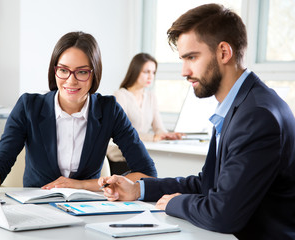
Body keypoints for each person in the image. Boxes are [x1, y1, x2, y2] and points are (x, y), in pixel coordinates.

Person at [99, 4, 295, 239]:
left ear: (224, 52)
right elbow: (208, 183)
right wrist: (138, 189)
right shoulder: (238, 106)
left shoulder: (256, 116)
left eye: (192, 57)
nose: (184, 71)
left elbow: (223, 214)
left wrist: (176, 202)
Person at [0, 31, 157, 192]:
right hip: (37, 212)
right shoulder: (28, 106)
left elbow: (148, 174)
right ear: (54, 71)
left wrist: (82, 185)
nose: (71, 81)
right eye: (63, 70)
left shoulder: (109, 109)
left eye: (82, 72)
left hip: (90, 213)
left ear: (94, 73)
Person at [106, 53, 182, 167]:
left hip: (140, 153)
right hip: (119, 156)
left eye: (153, 72)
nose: (150, 76)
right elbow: (122, 133)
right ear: (135, 71)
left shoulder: (151, 97)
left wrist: (167, 135)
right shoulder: (120, 96)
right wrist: (152, 138)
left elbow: (159, 128)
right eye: (146, 72)